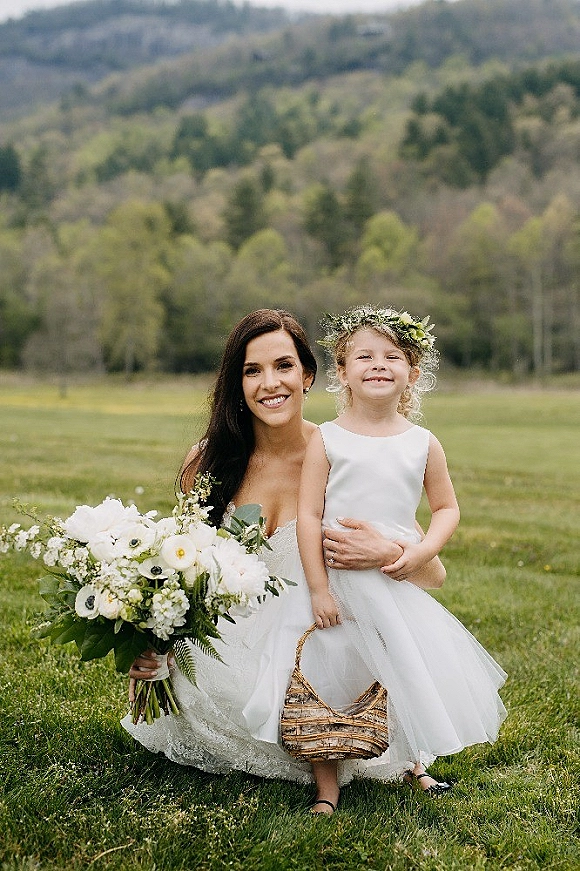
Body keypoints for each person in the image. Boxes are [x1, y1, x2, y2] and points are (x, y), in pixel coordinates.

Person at [124, 308, 444, 803]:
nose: (269, 383)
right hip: (234, 639)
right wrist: (152, 641)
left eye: (284, 366)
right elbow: (181, 571)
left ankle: (336, 739)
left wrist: (388, 551)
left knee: (326, 678)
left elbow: (434, 574)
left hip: (313, 642)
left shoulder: (343, 452)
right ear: (237, 384)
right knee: (209, 684)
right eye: (252, 370)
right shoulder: (208, 461)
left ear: (308, 376)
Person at [296, 305, 507, 814]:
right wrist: (319, 588)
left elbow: (447, 508)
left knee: (402, 667)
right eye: (364, 356)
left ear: (413, 372)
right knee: (330, 671)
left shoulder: (422, 443)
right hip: (336, 576)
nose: (378, 365)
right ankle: (327, 784)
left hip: (392, 578)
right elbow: (308, 514)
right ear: (342, 372)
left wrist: (422, 551)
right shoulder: (327, 437)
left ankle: (414, 763)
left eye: (392, 356)